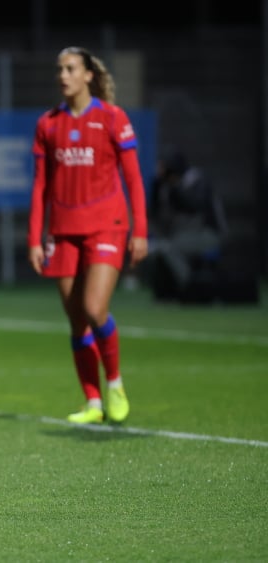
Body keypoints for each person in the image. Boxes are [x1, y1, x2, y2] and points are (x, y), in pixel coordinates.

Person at [27, 46, 148, 425]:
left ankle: (114, 382)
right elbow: (40, 187)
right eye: (59, 68)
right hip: (63, 233)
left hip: (106, 226)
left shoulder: (112, 118)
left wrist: (140, 231)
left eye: (70, 68)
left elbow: (133, 179)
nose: (63, 75)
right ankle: (93, 401)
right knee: (76, 320)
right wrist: (35, 238)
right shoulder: (48, 123)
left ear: (88, 75)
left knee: (96, 309)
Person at [146, 148, 228, 300]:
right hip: (178, 235)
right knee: (157, 249)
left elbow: (194, 206)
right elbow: (155, 215)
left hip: (208, 234)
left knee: (169, 248)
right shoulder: (162, 185)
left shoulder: (197, 179)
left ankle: (190, 289)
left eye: (162, 166)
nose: (159, 170)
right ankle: (165, 293)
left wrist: (175, 187)